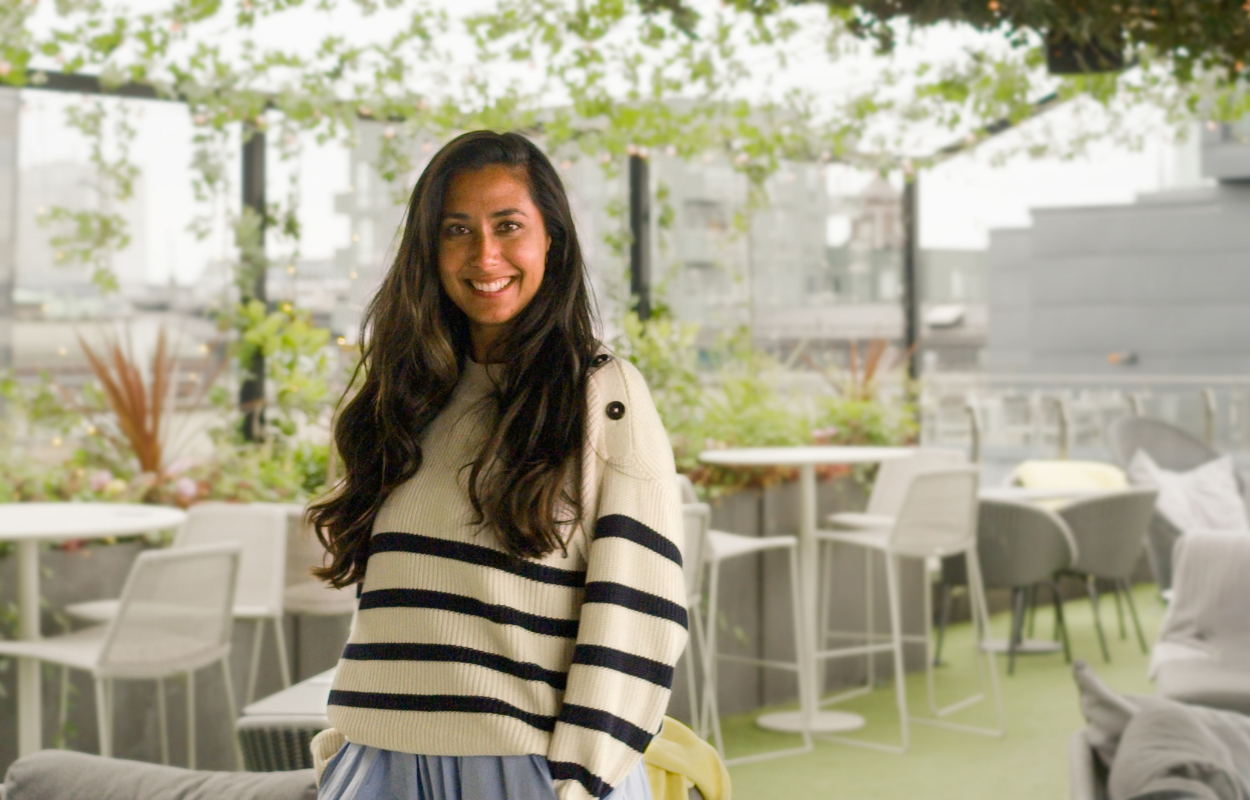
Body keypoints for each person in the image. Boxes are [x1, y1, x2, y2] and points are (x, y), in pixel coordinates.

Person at [307, 130, 688, 800]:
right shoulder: (405, 397)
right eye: (457, 229)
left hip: (527, 773)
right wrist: (348, 746)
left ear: (553, 242)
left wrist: (577, 780)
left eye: (509, 225)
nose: (484, 254)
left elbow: (640, 608)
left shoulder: (602, 393)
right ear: (429, 248)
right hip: (381, 764)